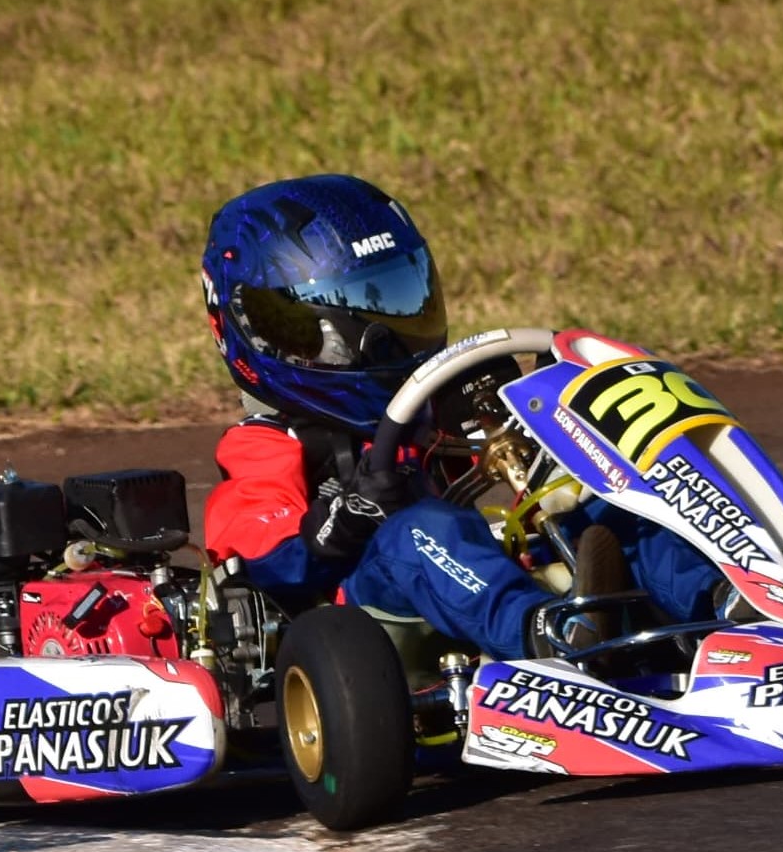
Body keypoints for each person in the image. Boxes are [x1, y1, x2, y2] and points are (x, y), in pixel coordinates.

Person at [195, 173, 724, 657]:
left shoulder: (429, 401)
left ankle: (722, 608)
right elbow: (258, 563)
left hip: (466, 575)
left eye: (394, 302)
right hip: (366, 626)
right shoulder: (267, 443)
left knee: (609, 508)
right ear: (255, 328)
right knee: (418, 529)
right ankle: (552, 637)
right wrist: (347, 519)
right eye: (347, 321)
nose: (381, 344)